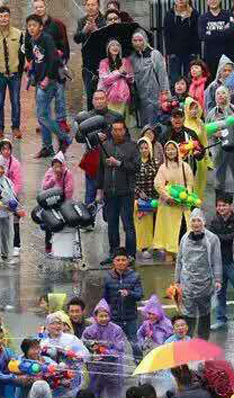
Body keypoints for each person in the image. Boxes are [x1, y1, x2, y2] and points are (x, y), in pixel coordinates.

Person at [27, 14, 72, 159]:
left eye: (34, 25)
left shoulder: (46, 38)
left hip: (50, 81)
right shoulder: (32, 40)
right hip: (40, 80)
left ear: (40, 27)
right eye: (29, 26)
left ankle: (64, 137)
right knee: (43, 115)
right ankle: (47, 147)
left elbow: (53, 59)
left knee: (42, 115)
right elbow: (35, 57)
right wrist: (30, 65)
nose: (31, 28)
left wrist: (47, 77)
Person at [175, 209, 222, 339]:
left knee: (204, 314)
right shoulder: (184, 238)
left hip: (205, 283)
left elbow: (217, 261)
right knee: (188, 314)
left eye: (199, 221)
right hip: (187, 283)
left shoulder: (212, 239)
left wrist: (218, 279)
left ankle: (203, 343)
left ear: (204, 222)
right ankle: (187, 340)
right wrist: (177, 281)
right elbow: (179, 260)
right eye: (193, 221)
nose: (196, 224)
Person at [98, 121, 139, 262]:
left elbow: (136, 167)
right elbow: (100, 170)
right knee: (112, 224)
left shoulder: (132, 147)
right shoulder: (105, 146)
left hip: (126, 192)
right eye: (114, 130)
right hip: (110, 192)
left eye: (120, 130)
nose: (117, 132)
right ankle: (113, 253)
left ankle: (130, 254)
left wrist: (119, 163)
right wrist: (100, 191)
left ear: (125, 130)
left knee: (128, 224)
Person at [0, 5, 24, 140]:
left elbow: (22, 54)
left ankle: (16, 127)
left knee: (15, 101)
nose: (3, 19)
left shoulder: (19, 34)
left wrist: (19, 72)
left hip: (15, 75)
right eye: (1, 16)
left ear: (10, 17)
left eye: (6, 16)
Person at [153, 140, 195, 257]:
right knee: (169, 230)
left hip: (182, 204)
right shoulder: (162, 168)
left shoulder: (185, 166)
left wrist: (187, 196)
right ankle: (169, 253)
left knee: (183, 228)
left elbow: (190, 183)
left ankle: (183, 253)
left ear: (177, 150)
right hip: (168, 206)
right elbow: (158, 185)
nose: (170, 151)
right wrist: (167, 197)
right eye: (168, 149)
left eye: (173, 149)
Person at [207, 195, 234, 330]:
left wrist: (219, 238)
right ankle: (221, 319)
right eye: (219, 205)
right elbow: (211, 238)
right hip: (218, 263)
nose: (221, 208)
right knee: (220, 293)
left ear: (230, 206)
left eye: (224, 205)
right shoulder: (213, 220)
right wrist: (226, 237)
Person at [130, 30, 170, 127]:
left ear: (145, 40)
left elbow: (162, 75)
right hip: (141, 97)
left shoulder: (154, 54)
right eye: (135, 40)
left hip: (155, 95)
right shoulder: (132, 57)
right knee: (145, 125)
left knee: (156, 123)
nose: (138, 43)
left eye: (140, 40)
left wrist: (165, 92)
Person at [163, 0, 200, 83]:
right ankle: (175, 95)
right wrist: (170, 52)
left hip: (191, 52)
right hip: (174, 53)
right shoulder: (169, 14)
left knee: (191, 78)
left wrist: (195, 52)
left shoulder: (194, 14)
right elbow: (167, 35)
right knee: (174, 79)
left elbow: (197, 34)